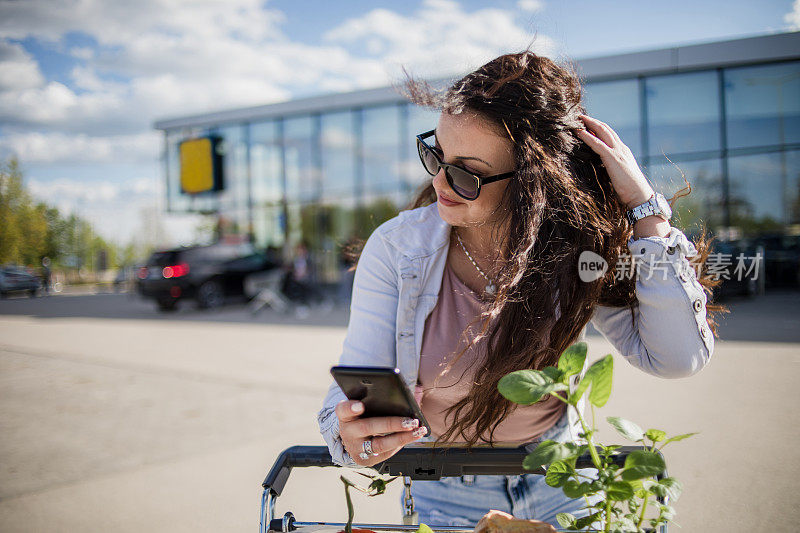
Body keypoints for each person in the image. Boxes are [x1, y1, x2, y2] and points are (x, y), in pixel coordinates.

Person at [317, 49, 724, 529]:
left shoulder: (576, 252)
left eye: (467, 172)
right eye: (436, 154)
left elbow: (677, 358)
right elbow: (354, 387)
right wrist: (351, 433)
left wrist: (643, 207)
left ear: (533, 180)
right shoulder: (397, 248)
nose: (442, 181)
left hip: (564, 477)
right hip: (448, 487)